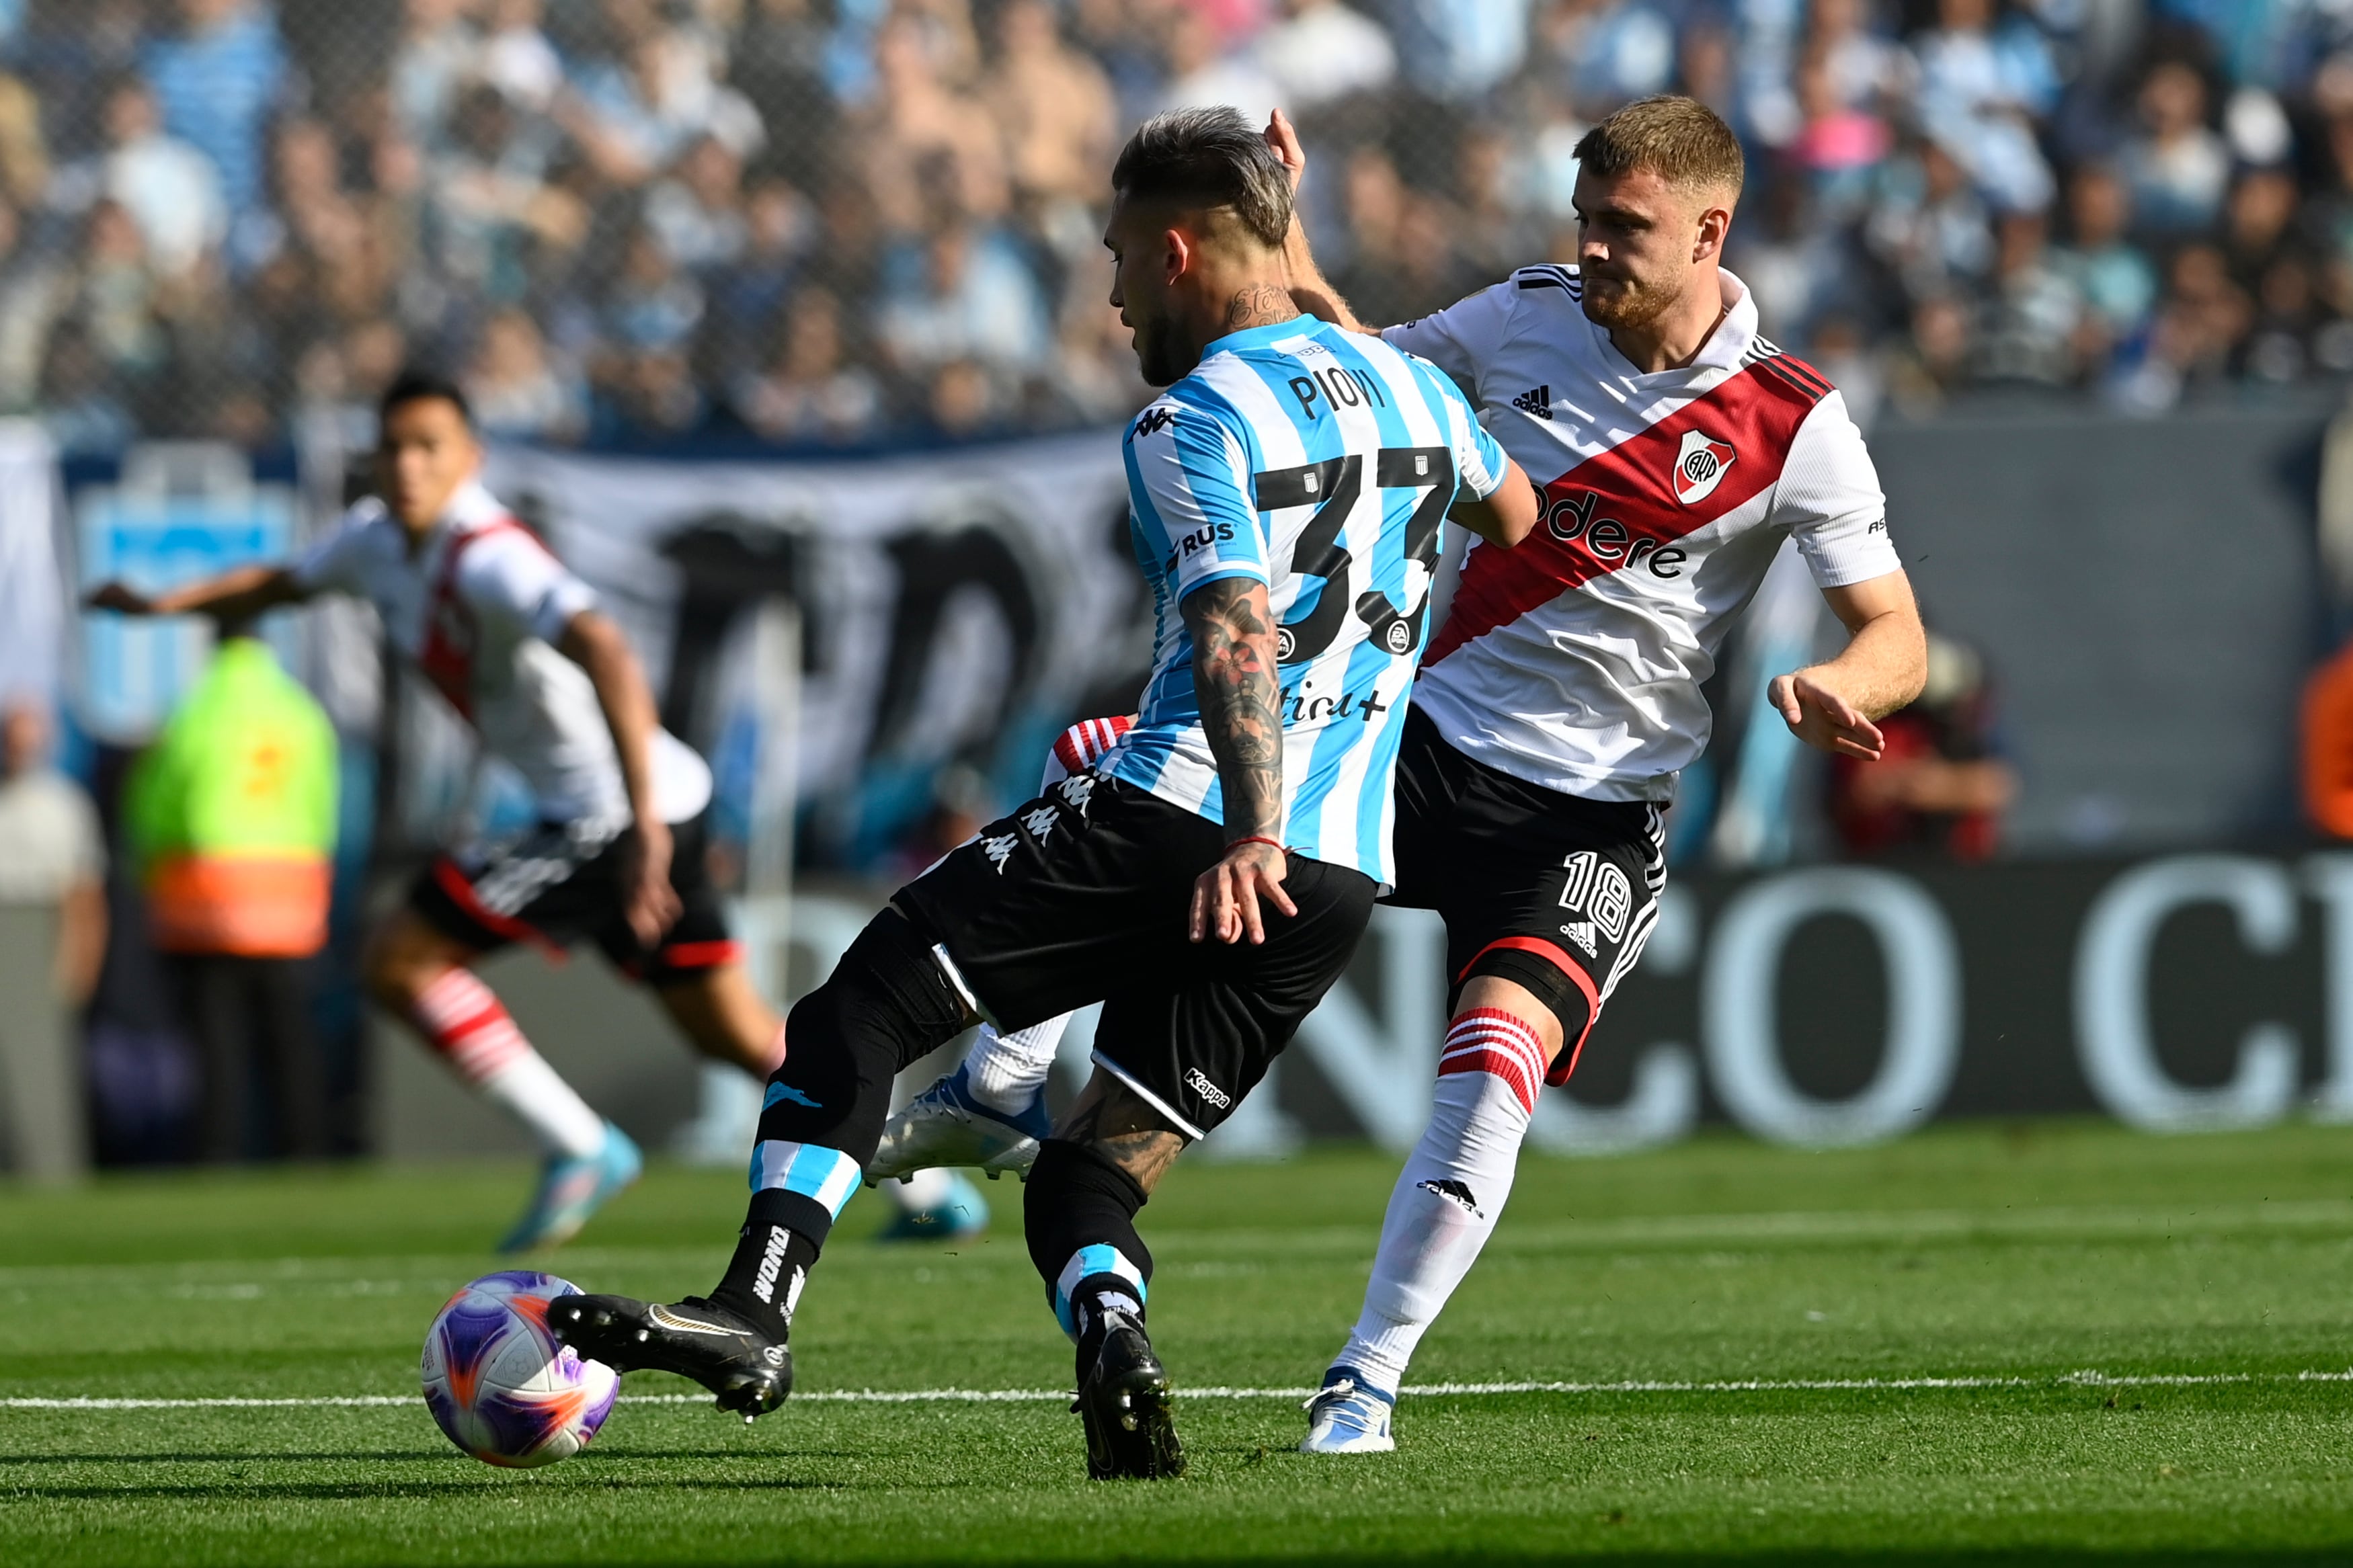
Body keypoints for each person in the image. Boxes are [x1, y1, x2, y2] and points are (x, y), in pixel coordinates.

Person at [880, 95, 1929, 1456]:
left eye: (1625, 228)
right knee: (1129, 768)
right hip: (1412, 746)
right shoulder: (1526, 314)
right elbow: (1355, 365)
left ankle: (1362, 1381)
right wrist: (1287, 228)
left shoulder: (1793, 420)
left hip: (1591, 813)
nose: (1593, 249)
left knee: (1491, 1064)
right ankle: (1010, 1075)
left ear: (1709, 231)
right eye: (1584, 218)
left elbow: (1896, 628)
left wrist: (1847, 685)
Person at [544, 106, 1536, 1481]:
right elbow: (1515, 515)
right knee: (1092, 1167)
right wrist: (1314, 282)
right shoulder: (1421, 395)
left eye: (1122, 258)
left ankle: (754, 1305)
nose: (1114, 295)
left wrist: (1244, 818)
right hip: (1339, 873)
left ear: (1181, 252)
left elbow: (1235, 623)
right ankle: (1115, 1335)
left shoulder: (1187, 418)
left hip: (1195, 817)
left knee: (864, 1004)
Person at [87, 370, 789, 1250]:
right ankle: (920, 1188)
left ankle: (579, 1146)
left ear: (471, 458)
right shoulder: (374, 543)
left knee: (398, 957)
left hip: (615, 815)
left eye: (431, 448)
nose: (410, 465)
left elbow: (604, 644)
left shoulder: (490, 553)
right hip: (654, 804)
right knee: (731, 1033)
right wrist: (162, 606)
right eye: (395, 447)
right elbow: (278, 583)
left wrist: (642, 821)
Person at [124, 620, 336, 1161]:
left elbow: (157, 802)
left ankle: (218, 1150)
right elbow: (323, 802)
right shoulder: (302, 713)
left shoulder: (195, 711)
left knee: (216, 1040)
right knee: (289, 1036)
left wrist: (148, 869)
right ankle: (305, 1149)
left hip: (207, 896)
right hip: (289, 895)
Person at [0, 698, 107, 1179]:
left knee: (46, 1071)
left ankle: (52, 1167)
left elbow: (82, 894)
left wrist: (80, 960)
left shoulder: (63, 805)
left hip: (39, 938)